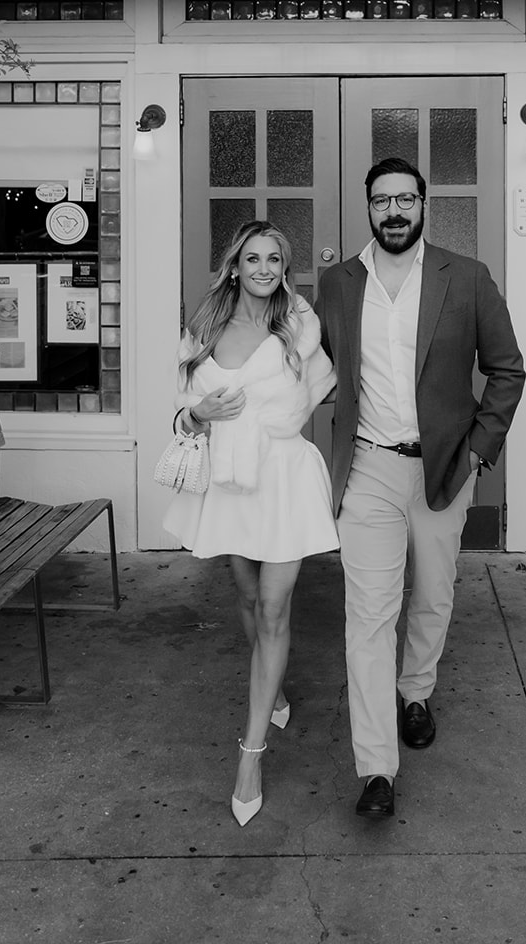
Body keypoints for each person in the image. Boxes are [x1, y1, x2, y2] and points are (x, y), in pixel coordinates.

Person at [316, 157, 525, 821]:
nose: (395, 211)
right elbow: (301, 364)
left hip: (441, 468)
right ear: (368, 208)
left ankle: (415, 691)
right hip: (368, 469)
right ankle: (376, 767)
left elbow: (506, 370)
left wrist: (478, 451)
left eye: (406, 199)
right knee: (369, 617)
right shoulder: (337, 284)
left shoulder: (465, 277)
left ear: (424, 204)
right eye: (382, 201)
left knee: (433, 595)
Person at [162, 220, 337, 827]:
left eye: (275, 259)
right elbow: (179, 414)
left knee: (272, 607)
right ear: (234, 266)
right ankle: (276, 687)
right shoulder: (204, 329)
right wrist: (198, 414)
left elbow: (316, 392)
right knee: (243, 592)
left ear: (284, 267)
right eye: (253, 258)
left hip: (282, 479)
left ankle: (250, 754)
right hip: (228, 483)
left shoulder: (299, 326)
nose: (264, 268)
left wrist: (275, 428)